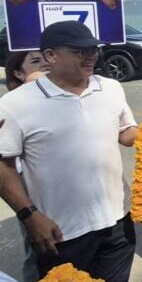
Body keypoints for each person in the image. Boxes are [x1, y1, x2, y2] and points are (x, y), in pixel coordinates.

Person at [0, 21, 142, 281]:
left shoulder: (110, 87)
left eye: (94, 49)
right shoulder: (15, 104)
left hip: (117, 222)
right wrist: (29, 216)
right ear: (50, 55)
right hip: (61, 232)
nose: (91, 56)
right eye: (80, 51)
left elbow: (125, 133)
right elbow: (4, 167)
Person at [3, 51, 50, 282]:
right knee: (41, 252)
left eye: (45, 58)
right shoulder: (11, 106)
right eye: (35, 61)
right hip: (30, 191)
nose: (44, 64)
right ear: (19, 74)